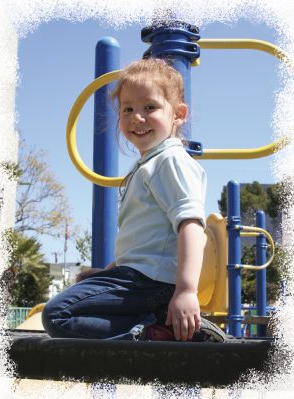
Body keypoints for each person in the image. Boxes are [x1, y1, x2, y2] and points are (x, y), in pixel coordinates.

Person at [42, 58, 217, 343]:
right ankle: (157, 323)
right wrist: (108, 272)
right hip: (140, 278)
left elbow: (192, 226)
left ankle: (152, 333)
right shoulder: (149, 165)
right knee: (79, 294)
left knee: (58, 314)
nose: (137, 117)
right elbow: (146, 242)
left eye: (150, 107)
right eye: (128, 109)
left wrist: (186, 290)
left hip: (150, 282)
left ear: (178, 114)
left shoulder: (170, 160)